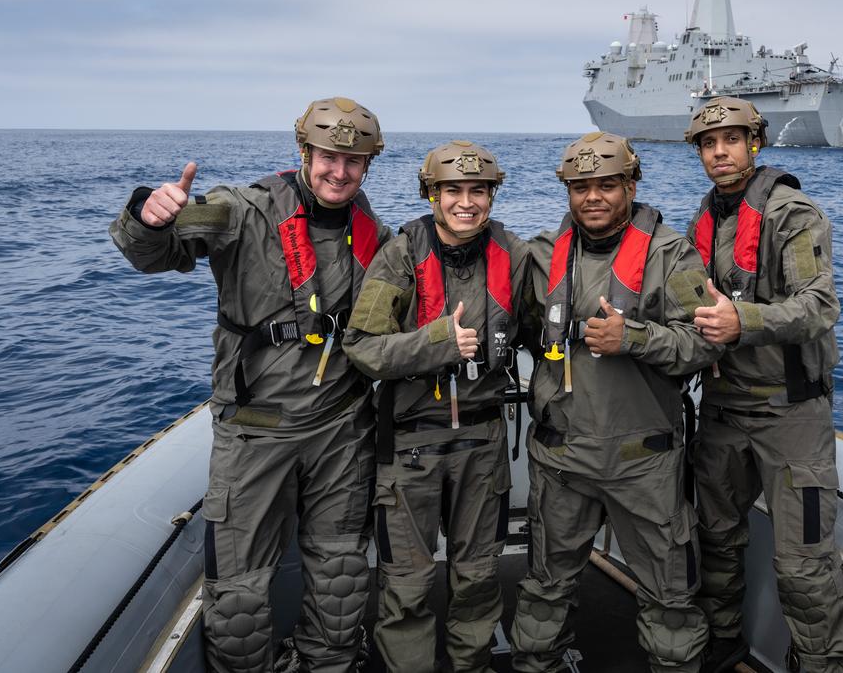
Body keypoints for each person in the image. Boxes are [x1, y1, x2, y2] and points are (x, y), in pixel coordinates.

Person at [109, 97, 392, 673]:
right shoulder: (240, 211)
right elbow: (160, 249)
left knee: (340, 577)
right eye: (329, 157)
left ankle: (328, 664)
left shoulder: (378, 236)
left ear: (368, 165)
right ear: (305, 152)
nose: (340, 172)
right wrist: (149, 211)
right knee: (237, 598)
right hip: (255, 430)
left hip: (341, 429)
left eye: (354, 161)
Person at [510, 132, 718, 673]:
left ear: (631, 185)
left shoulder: (672, 255)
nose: (593, 197)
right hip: (562, 459)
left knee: (671, 604)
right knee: (544, 593)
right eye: (580, 187)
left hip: (644, 463)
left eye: (607, 184)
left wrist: (636, 338)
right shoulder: (536, 257)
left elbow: (703, 345)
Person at [343, 140, 530, 673]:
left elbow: (547, 322)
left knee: (478, 576)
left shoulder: (514, 256)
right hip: (410, 446)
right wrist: (436, 342)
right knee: (407, 583)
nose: (465, 203)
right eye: (452, 191)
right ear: (432, 195)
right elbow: (362, 347)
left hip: (483, 442)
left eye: (478, 191)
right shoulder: (400, 255)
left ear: (492, 196)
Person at [683, 97, 843, 673]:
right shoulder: (702, 222)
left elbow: (820, 306)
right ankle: (724, 641)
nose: (720, 152)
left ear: (756, 143)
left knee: (804, 564)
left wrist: (744, 321)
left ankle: (820, 664)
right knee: (716, 539)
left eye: (732, 139)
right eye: (709, 143)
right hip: (724, 409)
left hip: (790, 415)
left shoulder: (792, 214)